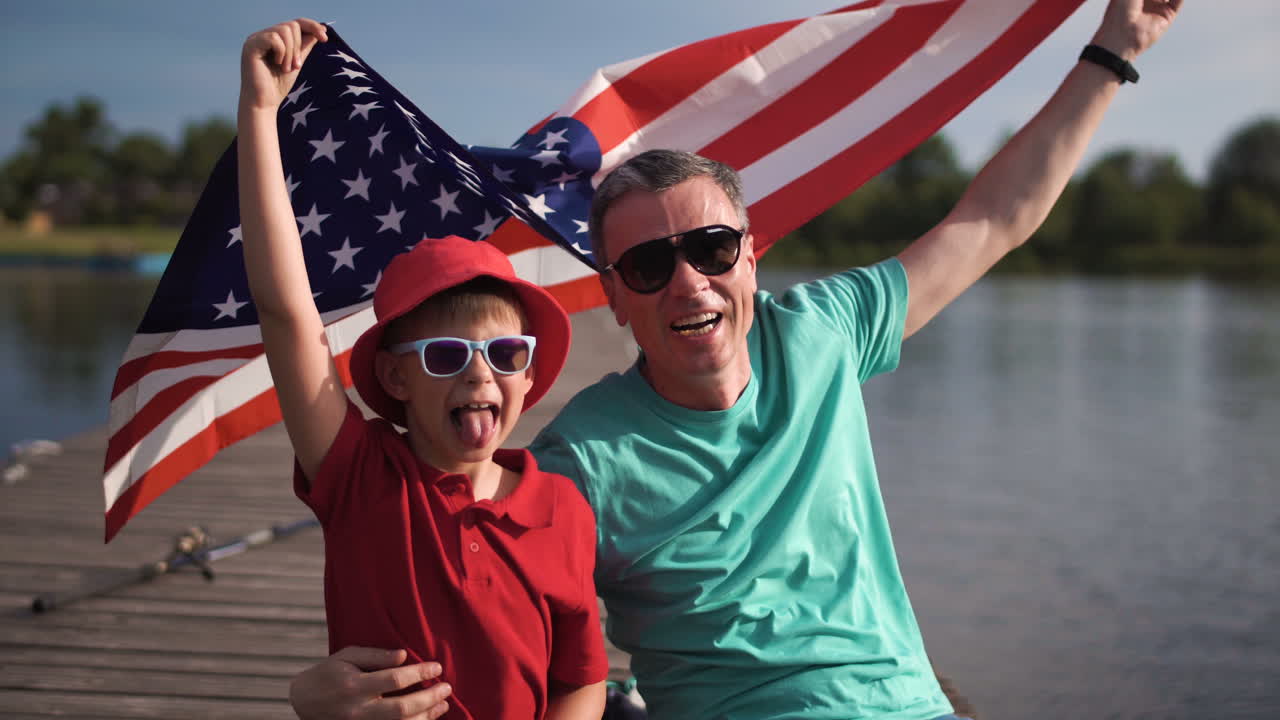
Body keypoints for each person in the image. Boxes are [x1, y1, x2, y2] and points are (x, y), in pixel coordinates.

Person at [288, 1, 1182, 718]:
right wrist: (316, 696)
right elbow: (464, 602)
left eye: (711, 249)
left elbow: (991, 220)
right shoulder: (582, 462)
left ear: (751, 255)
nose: (689, 284)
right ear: (615, 299)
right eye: (647, 265)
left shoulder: (823, 333)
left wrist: (1113, 47)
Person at [237, 19, 608, 720]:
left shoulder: (561, 508)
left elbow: (581, 679)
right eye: (447, 356)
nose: (480, 377)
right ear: (397, 379)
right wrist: (261, 112)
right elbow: (286, 315)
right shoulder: (362, 476)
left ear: (528, 378)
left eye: (505, 356)